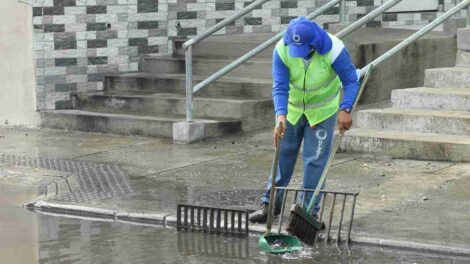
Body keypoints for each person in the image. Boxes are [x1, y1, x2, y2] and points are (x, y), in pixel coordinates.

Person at [249, 17, 360, 223]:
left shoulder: (334, 50)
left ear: (314, 44)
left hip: (321, 112)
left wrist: (345, 108)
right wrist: (280, 116)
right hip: (291, 111)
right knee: (283, 156)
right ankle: (270, 204)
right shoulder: (282, 49)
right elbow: (280, 86)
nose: (297, 54)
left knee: (315, 161)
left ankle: (308, 212)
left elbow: (351, 80)